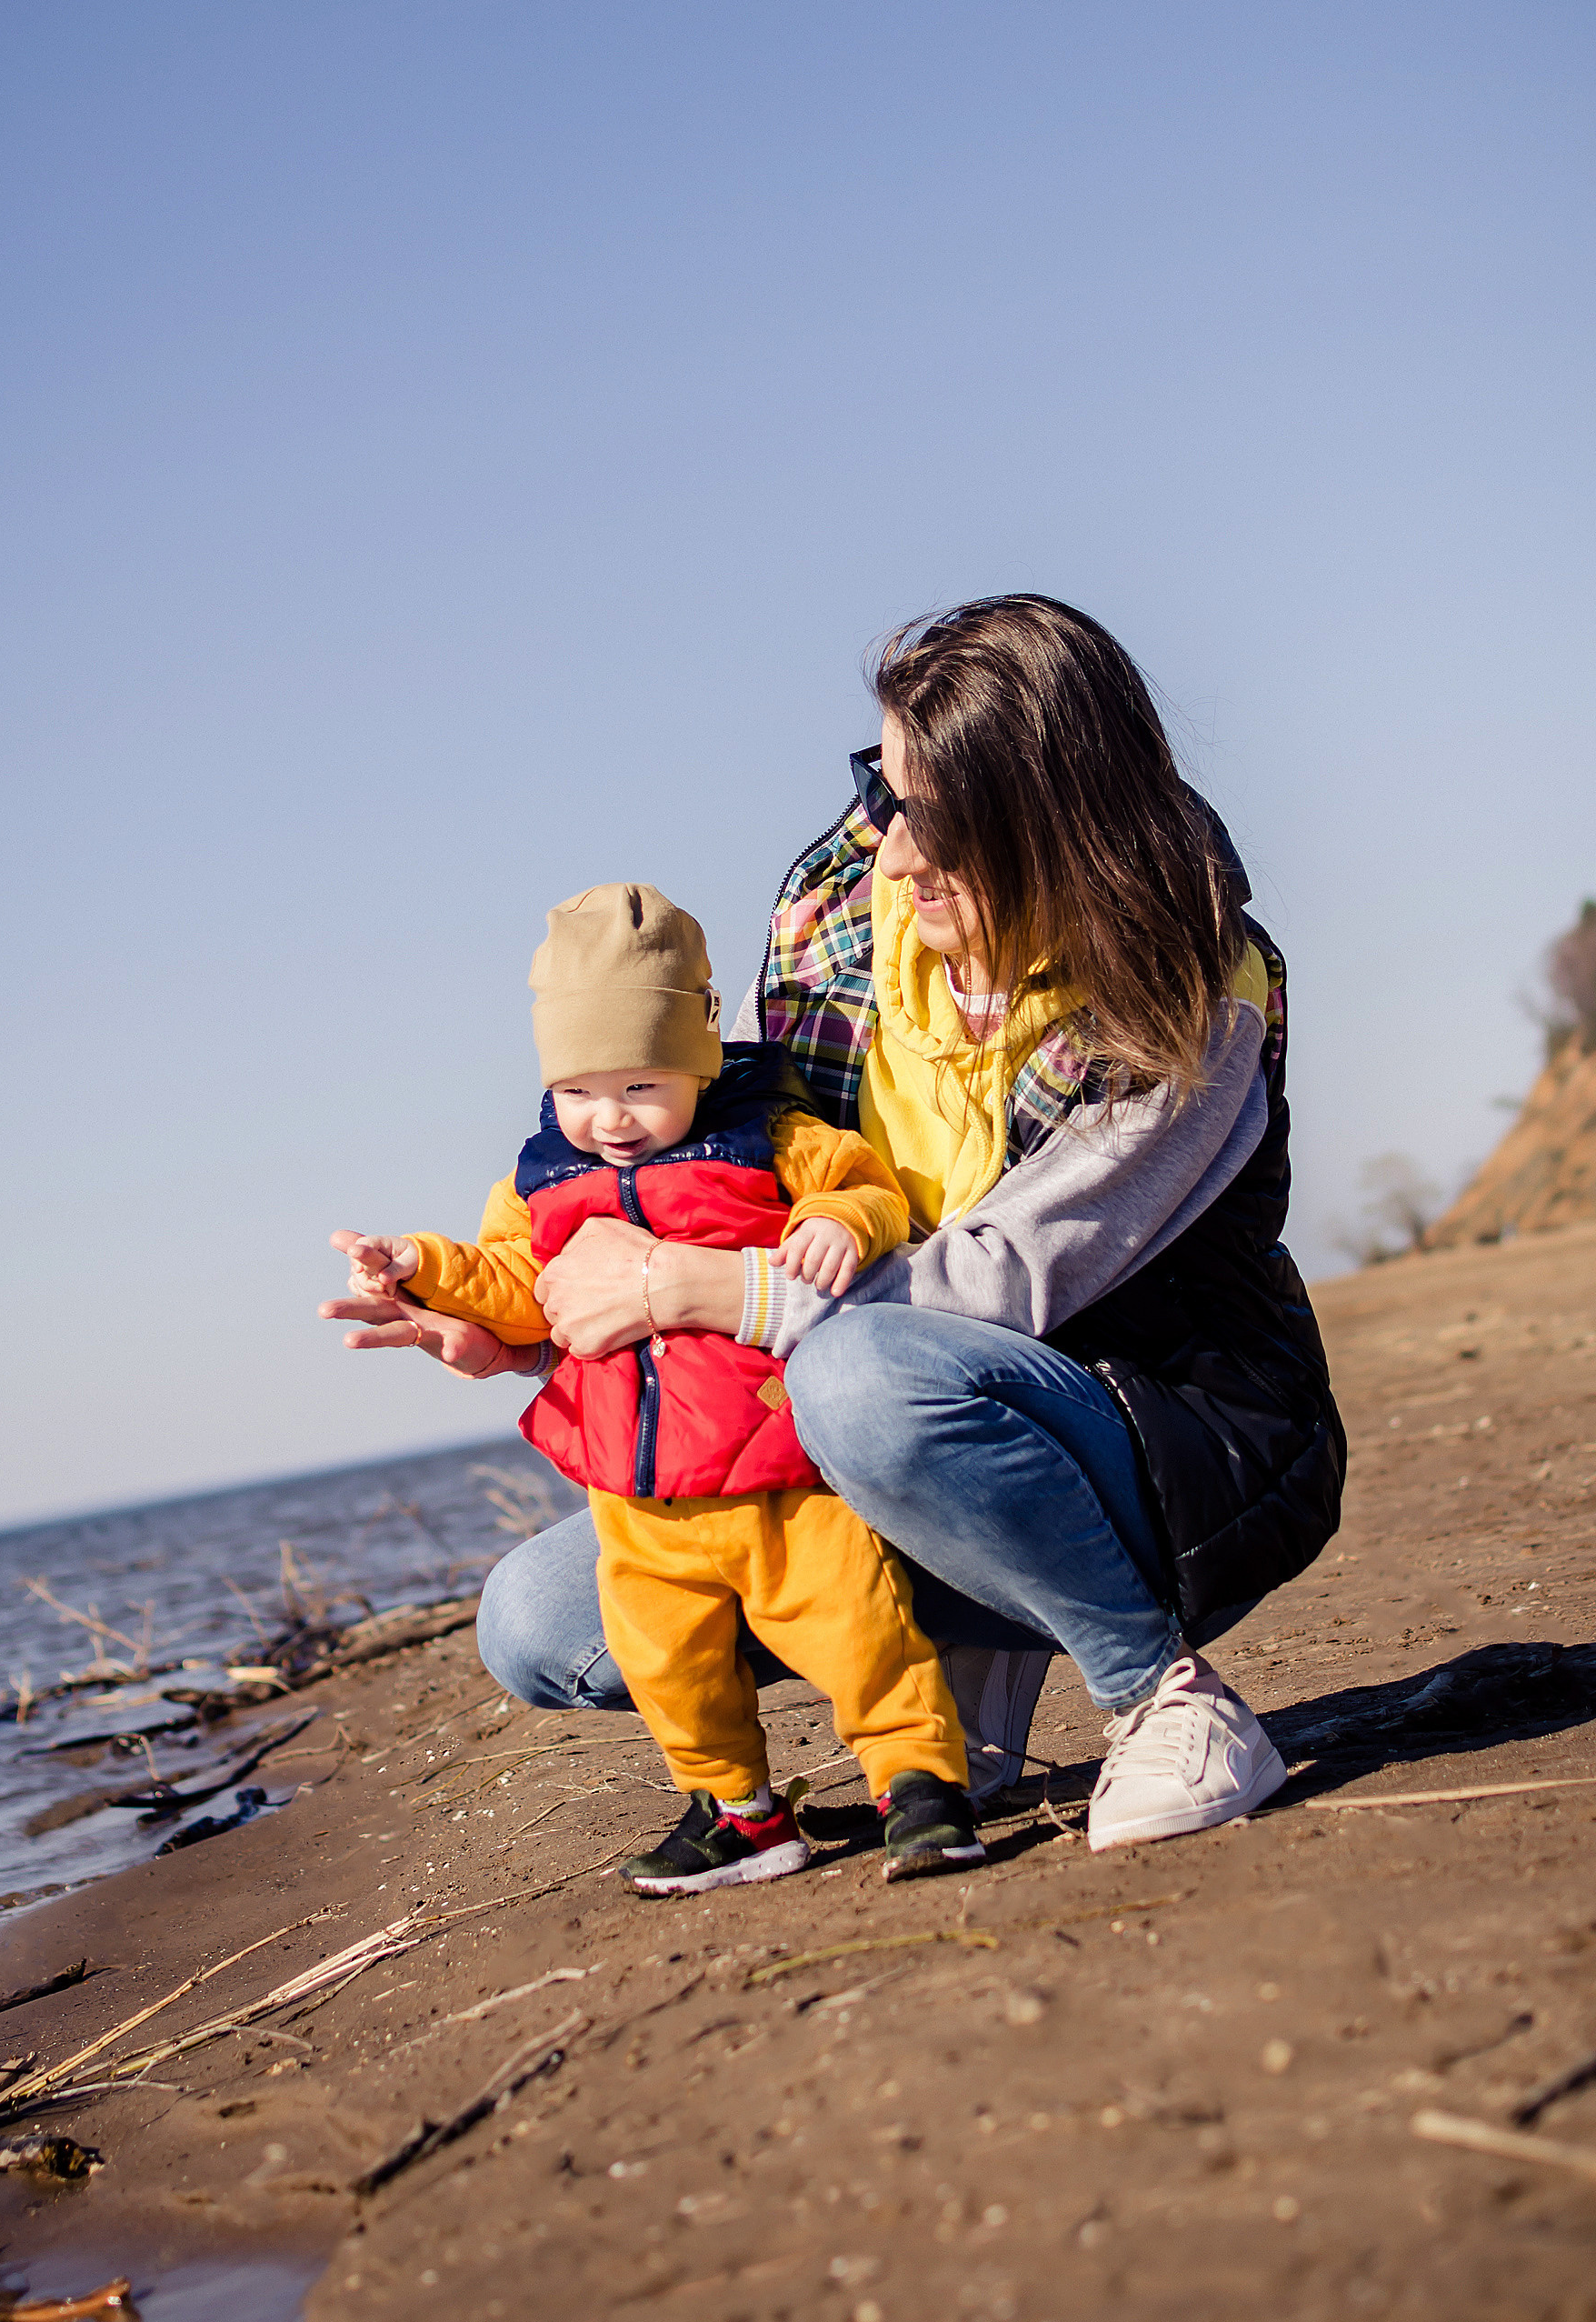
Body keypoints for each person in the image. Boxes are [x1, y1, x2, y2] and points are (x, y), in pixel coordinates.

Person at [333, 596, 1347, 1856]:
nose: (896, 850)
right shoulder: (838, 920)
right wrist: (526, 1338)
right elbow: (745, 1201)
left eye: (938, 819)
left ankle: (1163, 1695)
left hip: (1156, 1426)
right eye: (885, 793)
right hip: (871, 1409)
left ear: (1051, 818)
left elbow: (1003, 1283)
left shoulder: (1188, 988)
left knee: (860, 1375)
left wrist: (687, 1289)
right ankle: (973, 1635)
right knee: (541, 1622)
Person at [323, 881, 984, 1893]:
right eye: (578, 1091)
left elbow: (865, 1186)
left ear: (699, 1058)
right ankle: (740, 1813)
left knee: (856, 1626)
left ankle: (919, 1784)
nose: (611, 1118)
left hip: (777, 1470)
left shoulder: (767, 1139)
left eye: (641, 1085)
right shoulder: (538, 1183)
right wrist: (421, 1263)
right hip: (634, 1497)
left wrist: (839, 1222)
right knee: (668, 1663)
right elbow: (518, 1287)